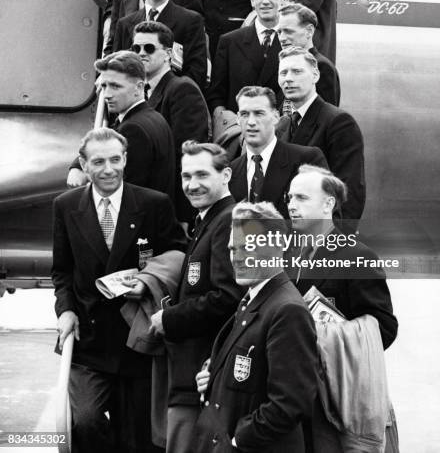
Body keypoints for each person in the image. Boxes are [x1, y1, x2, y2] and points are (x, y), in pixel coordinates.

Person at [52, 127, 187, 453]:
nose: (108, 169)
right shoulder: (66, 206)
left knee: (138, 436)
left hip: (137, 339)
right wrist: (66, 309)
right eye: (98, 162)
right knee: (85, 422)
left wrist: (148, 280)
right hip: (90, 339)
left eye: (115, 159)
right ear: (83, 165)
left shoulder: (154, 204)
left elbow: (178, 254)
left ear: (126, 160)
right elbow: (62, 271)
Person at [192, 201, 319, 453]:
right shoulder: (253, 298)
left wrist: (239, 439)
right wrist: (215, 374)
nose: (237, 257)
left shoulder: (287, 309)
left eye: (248, 246)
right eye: (232, 248)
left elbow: (290, 403)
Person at [287, 165, 398, 450]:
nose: (291, 206)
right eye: (289, 198)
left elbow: (384, 327)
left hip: (340, 400)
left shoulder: (356, 255)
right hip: (296, 394)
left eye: (301, 198)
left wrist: (326, 337)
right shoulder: (287, 258)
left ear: (328, 204)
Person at [149, 141, 243, 453]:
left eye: (202, 175)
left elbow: (227, 297)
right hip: (192, 375)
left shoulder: (228, 220)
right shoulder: (208, 220)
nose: (192, 185)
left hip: (203, 375)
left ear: (226, 174)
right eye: (186, 176)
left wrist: (170, 319)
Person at [67, 51, 176, 200]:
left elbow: (120, 194)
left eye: (115, 86)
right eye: (104, 86)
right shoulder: (154, 118)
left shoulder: (133, 129)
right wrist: (77, 165)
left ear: (138, 87)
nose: (106, 95)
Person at [277, 47, 365, 228]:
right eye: (283, 73)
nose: (288, 78)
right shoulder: (284, 124)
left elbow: (350, 188)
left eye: (297, 71)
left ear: (316, 75)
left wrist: (339, 238)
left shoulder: (338, 122)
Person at [132, 20, 209, 222]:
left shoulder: (182, 90)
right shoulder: (136, 92)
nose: (141, 53)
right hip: (143, 201)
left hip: (169, 209)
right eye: (136, 48)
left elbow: (186, 157)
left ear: (167, 54)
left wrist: (183, 218)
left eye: (149, 48)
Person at [113, 0, 207, 89]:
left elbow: (196, 73)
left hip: (172, 102)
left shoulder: (190, 21)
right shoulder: (125, 24)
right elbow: (118, 70)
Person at [229, 86, 326, 218]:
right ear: (238, 119)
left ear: (275, 117)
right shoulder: (231, 171)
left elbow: (326, 216)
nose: (251, 122)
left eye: (259, 113)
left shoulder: (306, 159)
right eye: (245, 114)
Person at [208, 0, 288, 114]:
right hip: (239, 128)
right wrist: (224, 121)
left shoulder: (293, 42)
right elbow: (216, 95)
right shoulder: (229, 42)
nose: (265, 1)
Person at [277, 2, 340, 106]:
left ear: (309, 31)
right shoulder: (284, 64)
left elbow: (327, 116)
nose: (282, 38)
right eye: (279, 32)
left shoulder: (322, 66)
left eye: (288, 31)